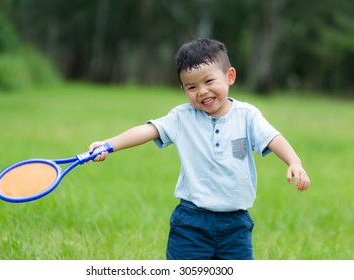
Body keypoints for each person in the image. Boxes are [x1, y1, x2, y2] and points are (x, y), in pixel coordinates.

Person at [88, 38, 310, 260]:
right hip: (191, 222)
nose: (202, 92)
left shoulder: (247, 116)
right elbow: (146, 131)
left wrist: (294, 161)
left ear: (229, 76)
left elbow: (273, 137)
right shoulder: (181, 117)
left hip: (236, 224)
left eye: (209, 81)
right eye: (192, 87)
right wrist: (108, 145)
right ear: (183, 89)